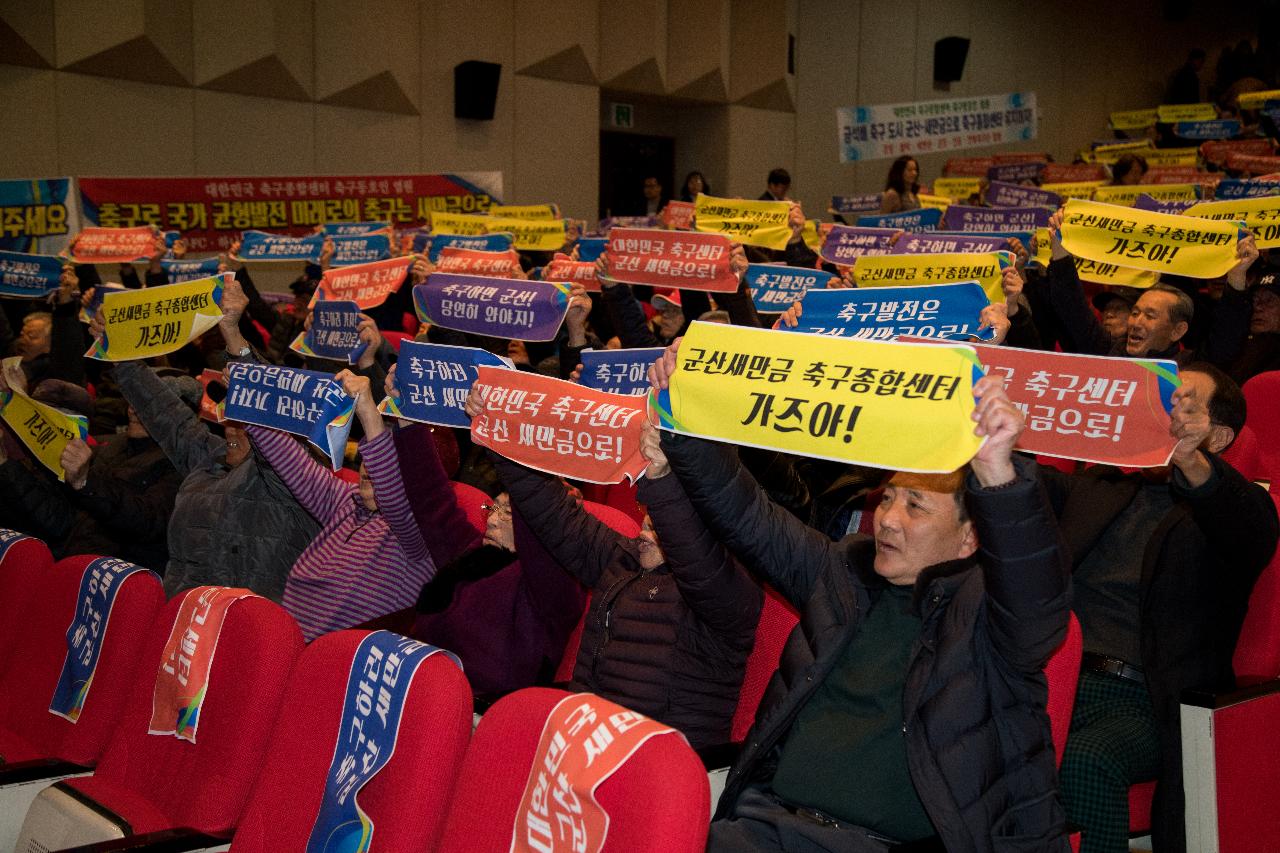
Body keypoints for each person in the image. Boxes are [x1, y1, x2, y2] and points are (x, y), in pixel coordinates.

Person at [650, 343, 1073, 851]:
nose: (888, 519)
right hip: (766, 827)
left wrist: (1000, 480)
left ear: (970, 537)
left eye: (916, 506)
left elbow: (1034, 598)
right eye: (888, 497)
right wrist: (682, 417)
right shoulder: (842, 573)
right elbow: (748, 517)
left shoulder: (988, 614)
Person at [1048, 363, 1278, 853]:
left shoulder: (1234, 512)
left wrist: (1192, 462)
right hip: (1051, 678)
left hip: (1142, 700)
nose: (1165, 408)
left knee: (1088, 758)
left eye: (1184, 401)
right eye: (1160, 395)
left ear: (1218, 435)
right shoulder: (1102, 484)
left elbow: (1244, 523)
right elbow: (1018, 479)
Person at [468, 388, 763, 750]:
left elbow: (694, 555)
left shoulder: (732, 589)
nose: (643, 531)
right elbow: (554, 514)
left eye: (658, 527)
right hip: (584, 743)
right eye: (647, 521)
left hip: (659, 763)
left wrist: (661, 478)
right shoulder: (623, 560)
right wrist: (502, 435)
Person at [92, 280, 320, 600]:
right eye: (232, 403)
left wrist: (231, 332)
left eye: (243, 404)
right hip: (180, 615)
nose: (236, 416)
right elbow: (162, 410)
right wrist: (116, 348)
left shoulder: (289, 478)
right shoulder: (207, 457)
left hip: (244, 628)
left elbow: (269, 407)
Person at [245, 370, 437, 641]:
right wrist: (248, 388)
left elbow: (395, 499)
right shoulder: (346, 500)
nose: (369, 467)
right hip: (287, 637)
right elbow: (288, 458)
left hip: (339, 659)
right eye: (365, 457)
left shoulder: (419, 532)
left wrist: (368, 410)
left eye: (385, 461)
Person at [1044, 210, 1257, 363]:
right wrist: (1060, 248)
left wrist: (1237, 275)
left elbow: (1226, 340)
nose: (1136, 322)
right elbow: (1072, 307)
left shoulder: (1190, 367)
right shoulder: (1108, 351)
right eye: (1135, 312)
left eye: (1150, 316)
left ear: (1178, 330)